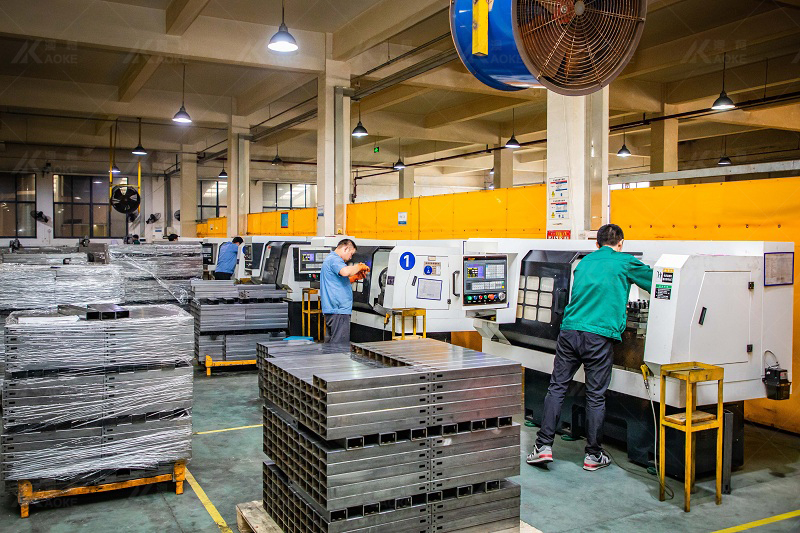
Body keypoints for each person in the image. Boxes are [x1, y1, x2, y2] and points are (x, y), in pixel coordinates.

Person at [527, 224, 654, 472]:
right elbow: (659, 285)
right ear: (621, 244)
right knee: (595, 396)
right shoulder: (625, 261)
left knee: (557, 387)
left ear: (596, 244)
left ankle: (543, 447)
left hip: (570, 331)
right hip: (598, 336)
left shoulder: (584, 262)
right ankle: (593, 455)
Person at [320, 239, 369, 346]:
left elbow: (338, 281)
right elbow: (346, 272)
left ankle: (331, 362)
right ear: (346, 248)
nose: (350, 257)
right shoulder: (335, 260)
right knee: (339, 347)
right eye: (351, 254)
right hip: (339, 311)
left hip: (333, 310)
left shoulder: (330, 259)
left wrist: (355, 277)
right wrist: (359, 266)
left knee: (331, 345)